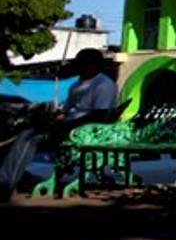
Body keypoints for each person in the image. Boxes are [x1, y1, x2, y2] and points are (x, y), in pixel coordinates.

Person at [0, 48, 117, 201]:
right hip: (68, 125)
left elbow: (99, 116)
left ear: (93, 65)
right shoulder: (76, 85)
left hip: (85, 131)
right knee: (16, 135)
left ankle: (6, 185)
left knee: (28, 138)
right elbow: (65, 111)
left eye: (82, 63)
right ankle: (12, 175)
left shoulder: (104, 85)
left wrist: (66, 125)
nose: (78, 67)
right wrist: (53, 118)